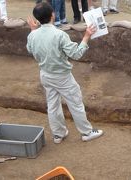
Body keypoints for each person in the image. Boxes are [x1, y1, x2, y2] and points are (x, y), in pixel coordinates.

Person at [26, 2, 103, 144]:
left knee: (53, 105)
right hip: (62, 76)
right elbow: (76, 54)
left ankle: (58, 134)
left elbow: (30, 49)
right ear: (53, 15)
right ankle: (86, 132)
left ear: (37, 19)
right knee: (75, 103)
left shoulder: (33, 35)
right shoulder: (59, 35)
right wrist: (87, 36)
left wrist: (32, 30)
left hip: (45, 75)